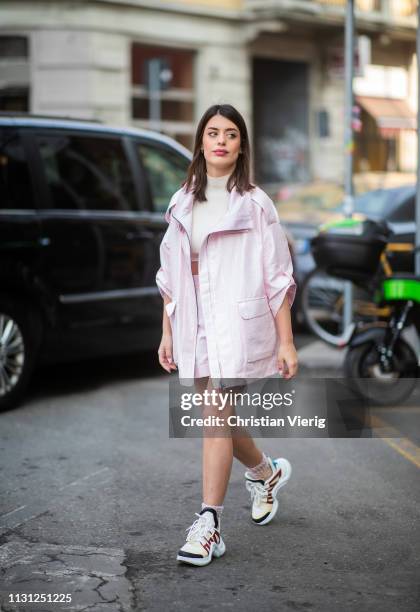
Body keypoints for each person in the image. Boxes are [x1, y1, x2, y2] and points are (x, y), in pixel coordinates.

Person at [156, 103, 298, 567]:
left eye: (231, 134)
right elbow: (170, 276)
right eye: (212, 132)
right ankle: (265, 472)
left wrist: (287, 340)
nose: (220, 140)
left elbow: (278, 276)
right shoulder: (181, 201)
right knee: (217, 415)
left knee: (215, 413)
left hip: (235, 323)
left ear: (241, 146)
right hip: (193, 322)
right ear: (200, 141)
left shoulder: (256, 204)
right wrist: (167, 332)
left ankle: (209, 523)